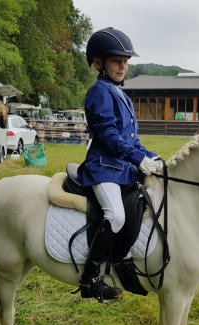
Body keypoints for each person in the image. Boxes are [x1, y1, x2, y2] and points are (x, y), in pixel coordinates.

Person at [77, 27, 163, 301]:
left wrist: (151, 156)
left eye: (126, 61)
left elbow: (131, 139)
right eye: (117, 61)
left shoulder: (119, 93)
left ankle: (125, 264)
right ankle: (90, 279)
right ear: (99, 62)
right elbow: (108, 135)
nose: (123, 66)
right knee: (115, 215)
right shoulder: (99, 92)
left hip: (121, 168)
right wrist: (138, 159)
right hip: (103, 167)